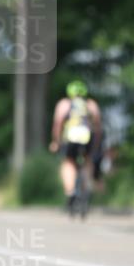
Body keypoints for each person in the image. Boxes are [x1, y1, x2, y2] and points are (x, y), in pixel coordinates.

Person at [49, 80, 102, 211]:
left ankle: (71, 192)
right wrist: (96, 145)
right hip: (87, 137)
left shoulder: (64, 104)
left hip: (70, 138)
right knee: (88, 161)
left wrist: (56, 142)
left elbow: (58, 123)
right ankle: (87, 187)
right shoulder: (91, 104)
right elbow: (98, 127)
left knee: (68, 163)